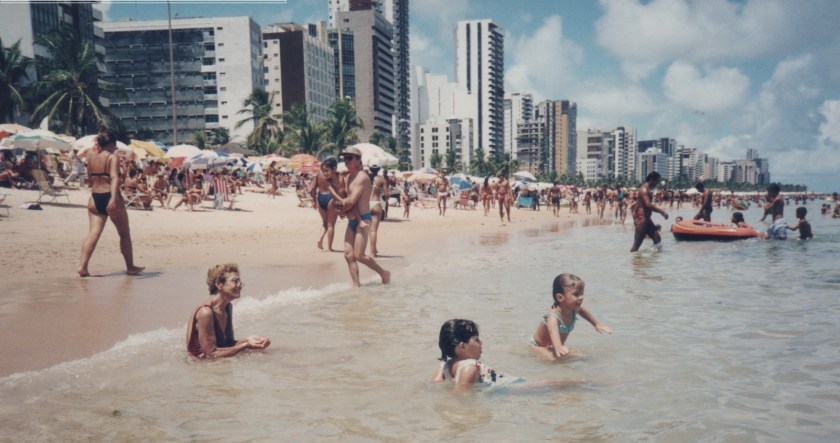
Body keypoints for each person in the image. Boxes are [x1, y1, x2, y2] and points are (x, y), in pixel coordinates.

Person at [78, 130, 144, 277]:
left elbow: (89, 179)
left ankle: (83, 266)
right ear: (112, 144)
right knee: (124, 234)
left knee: (93, 234)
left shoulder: (90, 156)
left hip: (95, 198)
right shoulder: (112, 157)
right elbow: (114, 178)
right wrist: (113, 198)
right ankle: (130, 267)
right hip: (110, 196)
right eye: (115, 147)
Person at [185, 263, 271, 358]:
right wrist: (245, 345)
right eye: (235, 281)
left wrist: (249, 340)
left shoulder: (227, 307)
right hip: (199, 364)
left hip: (216, 360)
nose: (240, 285)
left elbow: (229, 343)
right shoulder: (205, 312)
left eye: (240, 281)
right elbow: (211, 354)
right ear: (219, 284)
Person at [335, 146, 390, 288]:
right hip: (353, 219)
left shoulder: (362, 177)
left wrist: (341, 209)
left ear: (358, 160)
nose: (346, 161)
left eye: (349, 158)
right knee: (348, 255)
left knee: (359, 255)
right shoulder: (348, 177)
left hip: (364, 219)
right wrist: (341, 207)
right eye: (344, 158)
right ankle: (356, 286)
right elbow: (346, 198)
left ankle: (384, 273)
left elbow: (351, 201)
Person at [528, 274, 612, 360]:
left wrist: (596, 324)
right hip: (538, 346)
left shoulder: (574, 308)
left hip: (554, 346)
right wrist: (558, 347)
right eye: (576, 294)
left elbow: (582, 311)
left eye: (582, 293)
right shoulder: (553, 317)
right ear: (560, 297)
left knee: (579, 356)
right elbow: (553, 331)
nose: (581, 297)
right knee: (553, 359)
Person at [433, 319, 512, 388]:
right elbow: (459, 395)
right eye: (476, 340)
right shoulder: (469, 367)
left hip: (507, 383)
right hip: (506, 387)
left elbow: (434, 385)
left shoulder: (444, 366)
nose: (481, 343)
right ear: (463, 346)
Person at [629, 172, 669, 252]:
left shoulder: (646, 189)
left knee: (657, 238)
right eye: (657, 181)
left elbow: (637, 204)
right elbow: (647, 204)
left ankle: (653, 258)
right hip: (642, 219)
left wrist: (634, 215)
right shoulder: (644, 189)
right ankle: (631, 259)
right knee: (636, 245)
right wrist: (662, 212)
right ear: (651, 179)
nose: (657, 183)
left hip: (646, 219)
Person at [311, 157, 343, 251]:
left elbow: (312, 189)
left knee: (325, 223)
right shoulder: (335, 175)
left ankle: (320, 238)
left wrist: (314, 201)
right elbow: (340, 191)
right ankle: (330, 247)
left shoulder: (319, 173)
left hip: (320, 197)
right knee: (331, 225)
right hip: (331, 198)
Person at [368, 163, 388, 256]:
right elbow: (386, 195)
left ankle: (374, 249)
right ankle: (373, 252)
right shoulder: (381, 179)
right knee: (373, 230)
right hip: (376, 203)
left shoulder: (366, 177)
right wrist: (385, 199)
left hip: (366, 204)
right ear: (379, 169)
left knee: (369, 229)